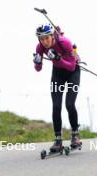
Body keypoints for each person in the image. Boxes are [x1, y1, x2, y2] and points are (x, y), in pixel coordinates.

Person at [33, 24, 82, 152]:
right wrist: (37, 62)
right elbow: (38, 69)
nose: (44, 42)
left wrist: (58, 59)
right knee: (56, 106)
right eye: (41, 39)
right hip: (58, 74)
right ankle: (58, 140)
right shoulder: (40, 47)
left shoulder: (64, 42)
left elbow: (71, 66)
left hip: (73, 73)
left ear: (52, 36)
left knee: (70, 104)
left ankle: (75, 135)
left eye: (46, 38)